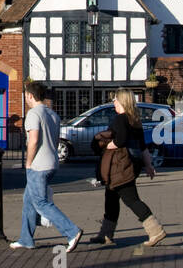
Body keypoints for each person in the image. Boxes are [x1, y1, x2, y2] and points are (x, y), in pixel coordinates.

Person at [89, 87, 166, 247]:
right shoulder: (135, 120)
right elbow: (143, 146)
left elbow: (120, 140)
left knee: (131, 199)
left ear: (122, 101)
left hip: (120, 167)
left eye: (115, 100)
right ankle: (106, 234)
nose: (114, 103)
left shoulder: (121, 119)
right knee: (110, 199)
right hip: (129, 166)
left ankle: (155, 230)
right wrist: (149, 165)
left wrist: (108, 145)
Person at [10, 81, 82, 251]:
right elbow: (56, 140)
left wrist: (28, 162)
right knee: (29, 199)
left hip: (38, 165)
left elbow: (33, 140)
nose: (25, 98)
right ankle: (26, 239)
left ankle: (72, 232)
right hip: (52, 162)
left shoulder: (34, 114)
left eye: (26, 95)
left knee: (41, 202)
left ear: (30, 95)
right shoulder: (53, 115)